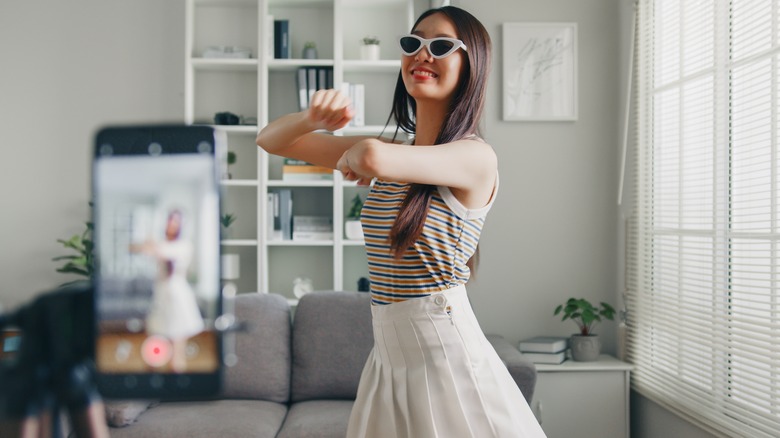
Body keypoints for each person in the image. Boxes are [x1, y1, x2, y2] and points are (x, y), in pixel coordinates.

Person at [257, 6, 546, 437]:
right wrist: (311, 120)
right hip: (390, 354)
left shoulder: (475, 156)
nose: (421, 55)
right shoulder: (398, 149)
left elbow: (371, 157)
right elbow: (270, 140)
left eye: (441, 46)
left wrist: (364, 156)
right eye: (413, 43)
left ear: (472, 65)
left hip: (444, 351)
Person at [131, 209, 204, 373]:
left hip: (178, 299)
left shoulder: (184, 245)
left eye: (176, 221)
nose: (172, 224)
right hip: (161, 299)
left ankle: (177, 391)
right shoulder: (162, 242)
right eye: (170, 220)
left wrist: (152, 245)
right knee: (152, 351)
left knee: (176, 354)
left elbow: (161, 252)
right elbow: (138, 248)